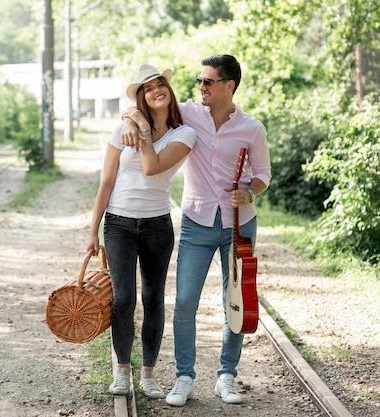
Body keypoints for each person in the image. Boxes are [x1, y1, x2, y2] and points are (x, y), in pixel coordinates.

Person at [122, 54, 271, 406]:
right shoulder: (187, 113)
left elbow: (264, 174)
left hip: (240, 224)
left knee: (234, 301)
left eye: (208, 82)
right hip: (196, 221)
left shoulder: (252, 128)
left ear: (228, 86)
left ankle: (227, 375)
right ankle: (184, 377)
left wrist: (250, 191)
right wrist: (130, 117)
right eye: (199, 82)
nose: (200, 87)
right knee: (186, 302)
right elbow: (145, 104)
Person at [87, 64, 196, 399]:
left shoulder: (184, 135)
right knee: (123, 299)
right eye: (148, 88)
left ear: (169, 91)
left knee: (152, 298)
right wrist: (93, 230)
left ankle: (147, 373)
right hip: (119, 223)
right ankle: (122, 371)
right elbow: (106, 182)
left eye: (161, 84)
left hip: (157, 225)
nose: (156, 90)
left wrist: (142, 127)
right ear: (141, 97)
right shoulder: (121, 130)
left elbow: (151, 168)